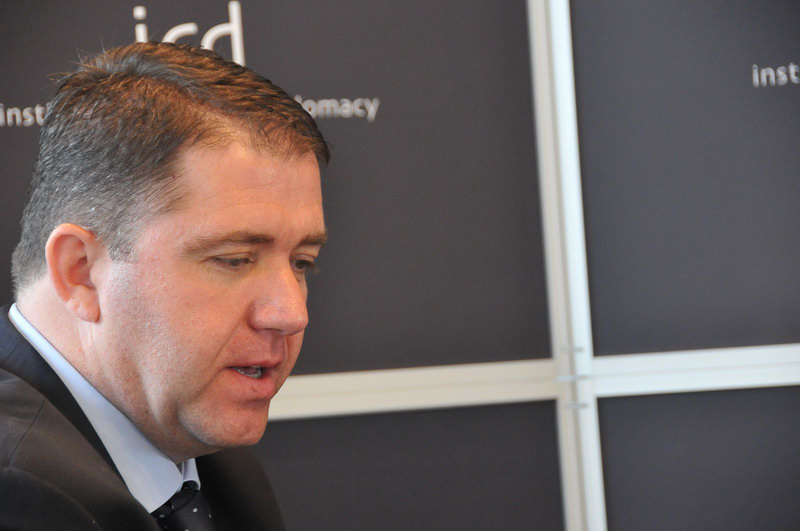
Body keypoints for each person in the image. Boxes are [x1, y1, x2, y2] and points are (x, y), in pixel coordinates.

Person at [0, 41, 329, 530]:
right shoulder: (18, 494)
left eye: (302, 262)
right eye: (234, 260)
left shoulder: (212, 461)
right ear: (80, 272)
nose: (291, 314)